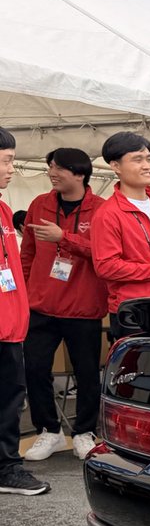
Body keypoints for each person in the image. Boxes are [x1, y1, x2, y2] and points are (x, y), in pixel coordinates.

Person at [19, 148, 106, 460]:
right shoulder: (38, 204)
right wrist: (25, 294)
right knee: (35, 368)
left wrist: (63, 238)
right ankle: (49, 431)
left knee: (86, 373)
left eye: (58, 168)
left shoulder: (102, 210)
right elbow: (27, 253)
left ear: (80, 174)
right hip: (41, 305)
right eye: (50, 167)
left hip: (84, 308)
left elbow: (104, 255)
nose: (52, 173)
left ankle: (84, 431)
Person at [89, 132, 150, 340]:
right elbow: (106, 266)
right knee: (143, 371)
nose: (147, 166)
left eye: (149, 158)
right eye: (137, 159)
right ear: (115, 166)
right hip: (136, 311)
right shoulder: (108, 214)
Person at [0, 126, 49, 495]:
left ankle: (6, 468)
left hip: (12, 327)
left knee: (10, 401)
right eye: (6, 161)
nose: (11, 169)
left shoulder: (3, 209)